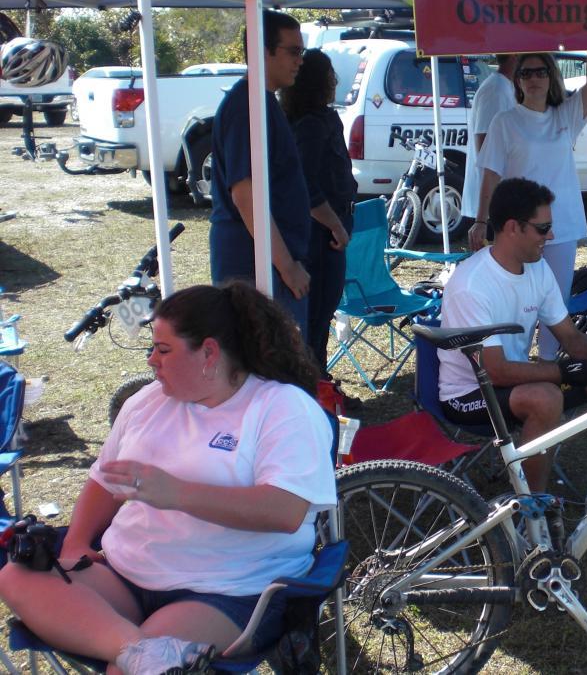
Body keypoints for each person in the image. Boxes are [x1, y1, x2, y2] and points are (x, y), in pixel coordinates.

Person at [0, 283, 337, 674]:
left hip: (228, 588)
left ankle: (135, 655)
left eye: (163, 350)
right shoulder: (147, 401)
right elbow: (105, 481)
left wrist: (175, 493)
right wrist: (75, 543)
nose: (150, 361)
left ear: (209, 352)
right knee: (17, 577)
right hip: (127, 571)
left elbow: (285, 511)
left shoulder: (281, 408)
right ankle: (137, 650)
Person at [440, 177, 587, 512]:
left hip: (512, 381)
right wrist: (577, 371)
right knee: (545, 398)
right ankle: (533, 509)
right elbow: (496, 371)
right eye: (543, 228)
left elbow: (570, 336)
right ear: (513, 228)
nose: (552, 237)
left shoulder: (537, 268)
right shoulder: (473, 284)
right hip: (468, 394)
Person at [471, 52, 587, 359]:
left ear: (551, 76)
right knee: (517, 304)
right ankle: (515, 368)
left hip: (563, 227)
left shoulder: (565, 115)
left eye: (540, 72)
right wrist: (481, 221)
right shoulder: (505, 122)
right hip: (520, 230)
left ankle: (547, 369)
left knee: (555, 304)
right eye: (526, 73)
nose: (533, 79)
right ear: (517, 80)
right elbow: (490, 176)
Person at [210, 10, 311, 334]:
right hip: (255, 269)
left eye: (302, 52)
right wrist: (287, 266)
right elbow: (245, 195)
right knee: (269, 371)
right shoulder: (246, 106)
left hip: (265, 266)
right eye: (293, 51)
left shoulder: (261, 102)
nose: (300, 61)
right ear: (262, 50)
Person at [280, 49, 356, 369]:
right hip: (321, 237)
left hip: (331, 232)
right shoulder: (310, 125)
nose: (334, 82)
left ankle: (321, 385)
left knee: (323, 314)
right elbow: (304, 186)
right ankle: (316, 388)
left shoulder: (324, 118)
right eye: (329, 75)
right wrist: (335, 225)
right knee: (317, 315)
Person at [462, 54, 517, 225]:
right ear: (515, 56)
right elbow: (485, 144)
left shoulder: (504, 87)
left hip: (499, 195)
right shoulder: (496, 90)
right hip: (492, 200)